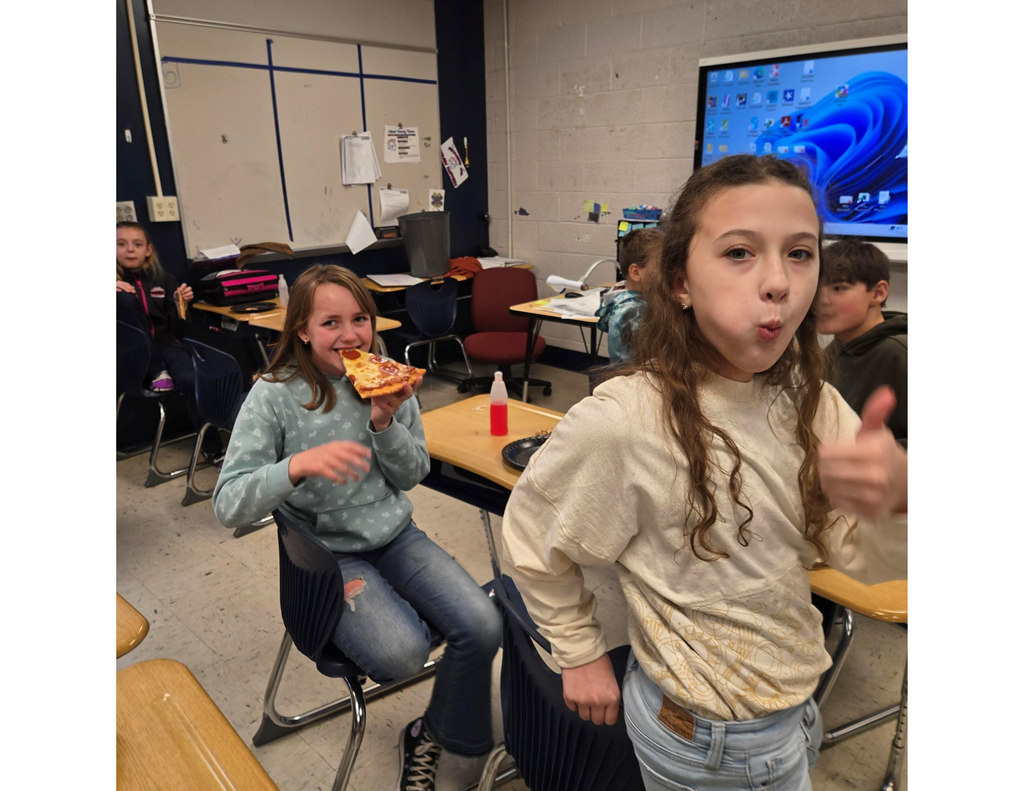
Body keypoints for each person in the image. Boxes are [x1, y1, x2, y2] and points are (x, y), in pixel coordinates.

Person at [501, 155, 907, 791]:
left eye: (800, 254)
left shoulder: (811, 398)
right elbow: (531, 536)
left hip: (794, 708)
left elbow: (860, 558)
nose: (779, 283)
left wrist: (896, 510)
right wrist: (578, 655)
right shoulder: (626, 420)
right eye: (740, 252)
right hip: (711, 741)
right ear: (680, 281)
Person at [211, 264, 501, 791]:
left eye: (360, 319)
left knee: (484, 626)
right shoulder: (275, 395)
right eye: (330, 323)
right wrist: (296, 466)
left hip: (395, 536)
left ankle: (430, 732)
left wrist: (384, 422)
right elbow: (228, 503)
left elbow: (413, 476)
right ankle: (399, 614)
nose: (349, 336)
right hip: (327, 556)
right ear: (302, 329)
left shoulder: (388, 376)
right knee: (403, 655)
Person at [116, 221, 221, 458]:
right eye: (121, 244)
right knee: (123, 298)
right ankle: (156, 369)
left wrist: (179, 305)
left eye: (137, 244)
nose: (130, 249)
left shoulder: (164, 279)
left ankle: (213, 449)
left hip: (167, 345)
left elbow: (180, 331)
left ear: (148, 250)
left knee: (192, 379)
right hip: (131, 355)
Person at [817, 239, 907, 447]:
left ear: (878, 293)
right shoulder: (827, 355)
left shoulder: (901, 354)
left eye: (839, 288)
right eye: (816, 288)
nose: (821, 300)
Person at [595, 228, 664, 364]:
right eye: (661, 266)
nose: (668, 271)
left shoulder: (638, 299)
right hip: (637, 380)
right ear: (636, 273)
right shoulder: (633, 310)